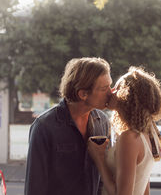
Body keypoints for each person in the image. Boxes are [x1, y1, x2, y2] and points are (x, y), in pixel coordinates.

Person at [25, 57, 112, 195]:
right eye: (104, 88)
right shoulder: (44, 127)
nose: (111, 93)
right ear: (83, 94)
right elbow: (35, 187)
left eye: (110, 85)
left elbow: (103, 179)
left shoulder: (102, 121)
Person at [88, 66, 161, 195]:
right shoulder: (147, 134)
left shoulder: (129, 137)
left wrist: (99, 159)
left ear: (126, 96)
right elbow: (145, 189)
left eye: (117, 88)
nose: (111, 91)